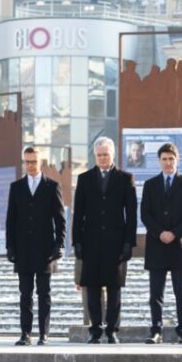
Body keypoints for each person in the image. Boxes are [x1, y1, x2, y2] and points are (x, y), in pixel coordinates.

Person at [73, 137, 138, 344]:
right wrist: (77, 242)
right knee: (91, 287)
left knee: (114, 288)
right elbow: (78, 214)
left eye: (106, 155)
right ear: (95, 156)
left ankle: (112, 330)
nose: (102, 158)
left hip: (116, 242)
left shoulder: (125, 178)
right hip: (91, 241)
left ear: (112, 155)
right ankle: (95, 329)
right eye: (99, 155)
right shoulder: (84, 179)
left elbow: (132, 214)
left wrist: (129, 243)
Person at [5, 147, 65, 346]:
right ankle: (25, 333)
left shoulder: (52, 186)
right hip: (23, 250)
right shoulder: (16, 187)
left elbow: (60, 219)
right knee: (25, 293)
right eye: (27, 161)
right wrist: (10, 247)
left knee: (44, 293)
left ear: (40, 162)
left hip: (45, 250)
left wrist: (59, 245)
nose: (30, 165)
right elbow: (10, 220)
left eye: (33, 161)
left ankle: (43, 334)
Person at [139, 143, 182, 345]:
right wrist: (160, 232)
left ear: (177, 159)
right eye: (164, 159)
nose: (168, 162)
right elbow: (145, 213)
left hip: (180, 246)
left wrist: (173, 233)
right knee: (156, 293)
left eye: (171, 159)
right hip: (157, 245)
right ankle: (156, 330)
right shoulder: (150, 185)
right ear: (159, 161)